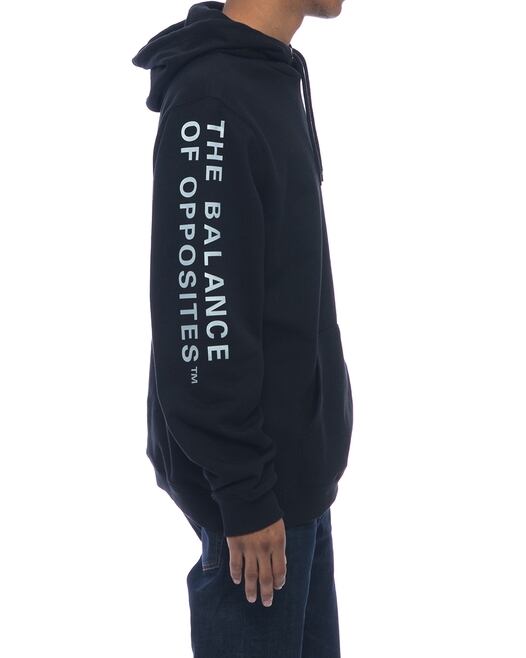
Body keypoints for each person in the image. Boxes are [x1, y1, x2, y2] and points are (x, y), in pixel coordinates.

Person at [131, 1, 353, 655]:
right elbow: (199, 307)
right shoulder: (213, 99)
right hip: (256, 510)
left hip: (296, 484)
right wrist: (245, 492)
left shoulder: (269, 75)